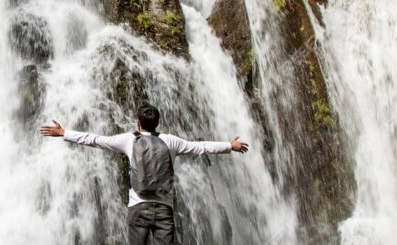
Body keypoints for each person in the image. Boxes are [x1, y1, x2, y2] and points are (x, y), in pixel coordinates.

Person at [38, 104, 250, 245]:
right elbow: (200, 147)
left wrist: (64, 133)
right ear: (157, 122)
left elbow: (94, 139)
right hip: (164, 211)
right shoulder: (171, 141)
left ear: (138, 122)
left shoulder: (129, 139)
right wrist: (229, 145)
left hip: (138, 209)